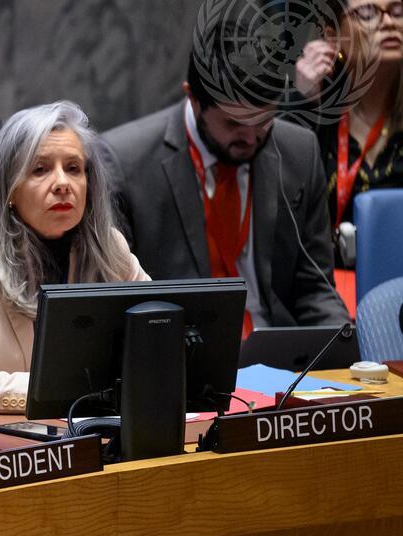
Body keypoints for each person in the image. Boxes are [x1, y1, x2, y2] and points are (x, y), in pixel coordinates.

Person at [101, 19, 349, 330]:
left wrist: (344, 345)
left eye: (264, 119)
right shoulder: (125, 162)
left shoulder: (299, 151)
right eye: (234, 123)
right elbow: (116, 301)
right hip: (180, 345)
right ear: (193, 98)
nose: (251, 137)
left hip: (277, 344)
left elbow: (315, 289)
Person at [0, 101, 148, 413]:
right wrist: (59, 389)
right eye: (40, 169)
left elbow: (159, 334)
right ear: (10, 190)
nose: (62, 183)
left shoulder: (109, 250)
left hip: (77, 431)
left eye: (73, 169)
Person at [293, 0, 403, 266]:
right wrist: (303, 100)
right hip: (327, 283)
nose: (389, 23)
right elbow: (277, 205)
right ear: (333, 37)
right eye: (367, 13)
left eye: (397, 12)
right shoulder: (314, 115)